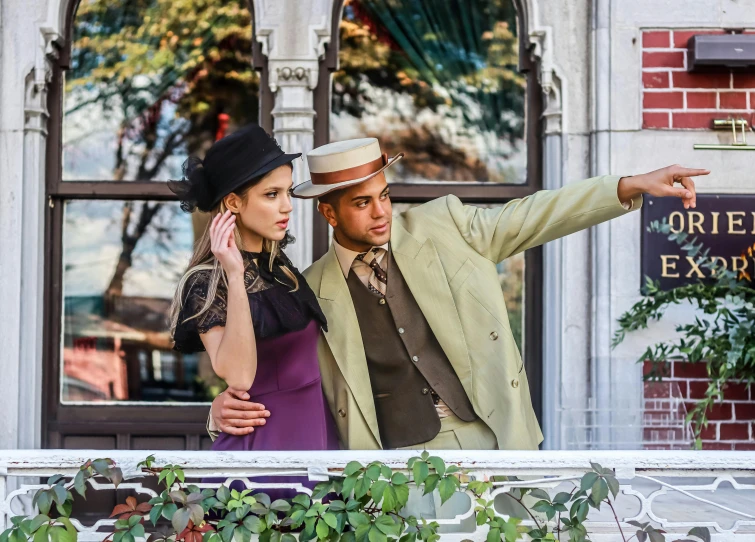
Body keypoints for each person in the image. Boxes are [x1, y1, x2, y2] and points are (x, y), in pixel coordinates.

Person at [210, 137, 707, 451]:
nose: (381, 212)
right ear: (330, 214)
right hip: (394, 466)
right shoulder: (311, 288)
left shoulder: (444, 224)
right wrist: (216, 414)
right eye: (362, 203)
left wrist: (628, 185)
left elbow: (533, 214)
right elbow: (285, 377)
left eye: (385, 195)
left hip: (490, 436)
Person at [168, 124, 338, 454]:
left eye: (287, 192)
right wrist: (233, 274)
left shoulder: (280, 269)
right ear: (233, 202)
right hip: (264, 448)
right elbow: (240, 377)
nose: (287, 206)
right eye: (271, 195)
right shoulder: (204, 283)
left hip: (315, 438)